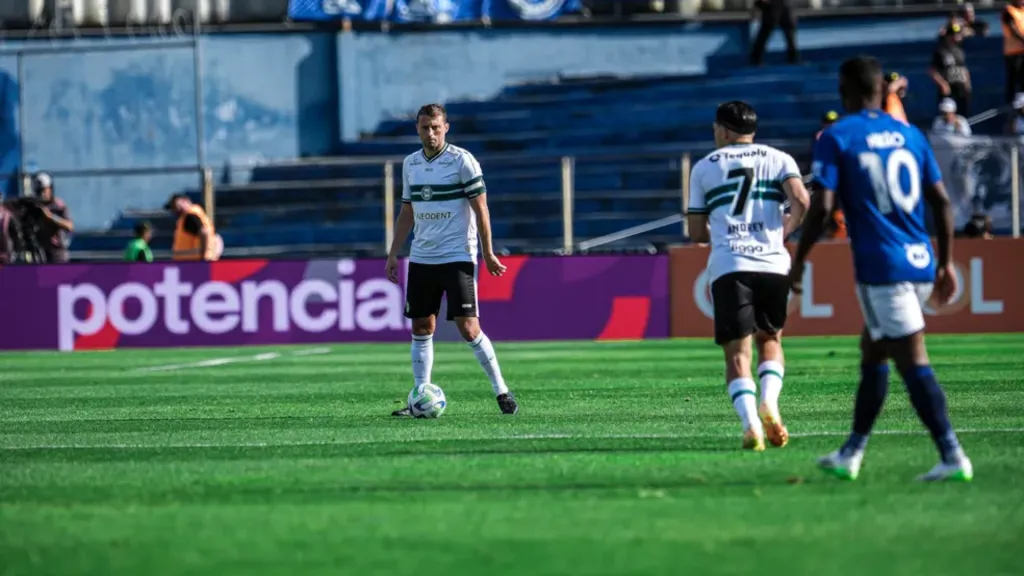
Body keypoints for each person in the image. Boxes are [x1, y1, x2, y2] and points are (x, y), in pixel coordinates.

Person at [793, 55, 972, 482]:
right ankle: (851, 452)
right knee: (873, 352)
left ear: (845, 89)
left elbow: (823, 207)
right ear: (882, 90)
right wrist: (946, 263)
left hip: (883, 266)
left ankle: (952, 454)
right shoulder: (911, 135)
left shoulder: (837, 135)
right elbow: (942, 203)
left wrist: (797, 261)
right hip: (921, 261)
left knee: (912, 360)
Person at [686, 101, 810, 451]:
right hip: (772, 262)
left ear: (724, 130)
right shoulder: (779, 158)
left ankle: (751, 424)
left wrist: (725, 231)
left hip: (730, 265)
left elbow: (696, 232)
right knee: (770, 339)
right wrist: (784, 229)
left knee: (737, 356)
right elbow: (801, 199)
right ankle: (769, 401)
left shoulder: (704, 167)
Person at [385, 103, 518, 417]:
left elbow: (481, 209)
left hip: (457, 256)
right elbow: (407, 211)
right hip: (421, 258)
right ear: (417, 129)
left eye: (435, 127)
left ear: (446, 127)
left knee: (469, 329)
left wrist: (486, 253)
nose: (430, 133)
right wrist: (393, 252)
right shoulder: (411, 164)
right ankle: (420, 395)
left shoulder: (462, 161)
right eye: (424, 128)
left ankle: (501, 391)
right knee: (421, 326)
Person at [929, 23, 972, 116]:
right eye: (953, 34)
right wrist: (943, 84)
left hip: (960, 88)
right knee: (947, 114)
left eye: (957, 34)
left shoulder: (960, 51)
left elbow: (964, 69)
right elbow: (932, 71)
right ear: (948, 36)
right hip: (949, 88)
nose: (955, 37)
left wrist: (967, 84)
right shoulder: (940, 51)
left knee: (962, 115)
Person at [165, 193, 221, 261]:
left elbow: (205, 232)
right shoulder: (198, 215)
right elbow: (216, 238)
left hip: (192, 264)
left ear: (185, 201)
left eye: (174, 205)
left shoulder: (190, 216)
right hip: (194, 263)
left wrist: (204, 257)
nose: (174, 209)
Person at [32, 172, 73, 263]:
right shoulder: (35, 206)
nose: (42, 194)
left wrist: (51, 217)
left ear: (50, 189)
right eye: (39, 191)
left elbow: (69, 225)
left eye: (44, 190)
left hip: (57, 252)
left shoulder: (58, 205)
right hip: (41, 252)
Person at [749, 0, 799, 67]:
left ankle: (793, 58)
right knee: (765, 31)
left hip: (781, 4)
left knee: (789, 30)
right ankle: (755, 60)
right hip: (771, 5)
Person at [1003, 0, 1024, 104]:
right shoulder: (1009, 10)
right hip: (1013, 52)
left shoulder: (1022, 11)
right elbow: (1013, 28)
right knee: (1014, 78)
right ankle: (1012, 103)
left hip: (1022, 50)